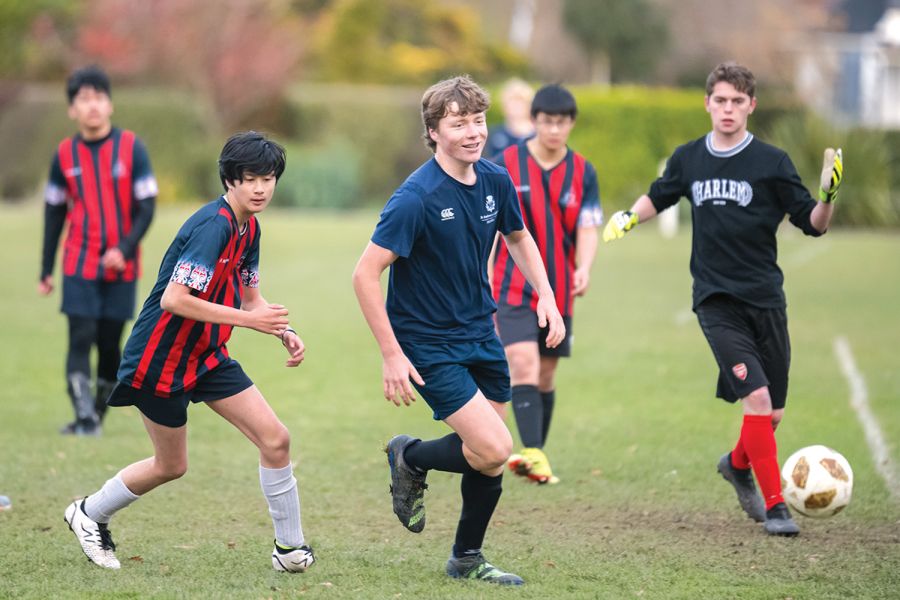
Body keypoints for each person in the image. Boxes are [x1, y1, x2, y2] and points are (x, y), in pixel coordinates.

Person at [602, 62, 843, 536]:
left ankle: (736, 464)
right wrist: (630, 217)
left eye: (738, 101)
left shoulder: (772, 162)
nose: (728, 109)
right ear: (708, 103)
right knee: (755, 397)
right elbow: (662, 194)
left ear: (751, 105)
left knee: (771, 414)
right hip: (716, 300)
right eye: (720, 100)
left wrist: (829, 195)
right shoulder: (690, 158)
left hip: (766, 299)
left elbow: (813, 223)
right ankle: (776, 508)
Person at [64, 132, 315, 573]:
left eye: (268, 178)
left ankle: (290, 551)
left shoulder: (249, 227)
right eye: (250, 179)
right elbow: (174, 300)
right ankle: (89, 512)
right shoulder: (213, 225)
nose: (260, 188)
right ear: (230, 180)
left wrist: (281, 328)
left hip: (206, 354)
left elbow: (251, 299)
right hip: (159, 358)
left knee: (276, 439)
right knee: (171, 465)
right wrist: (249, 321)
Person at [352, 75, 565, 586]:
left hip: (479, 331)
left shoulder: (494, 180)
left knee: (484, 458)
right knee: (495, 448)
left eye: (477, 120)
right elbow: (364, 274)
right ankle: (410, 454)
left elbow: (519, 237)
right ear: (433, 131)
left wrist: (549, 298)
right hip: (426, 342)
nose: (472, 132)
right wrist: (391, 354)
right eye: (457, 123)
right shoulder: (415, 197)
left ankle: (465, 557)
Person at [491, 84, 602, 485]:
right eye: (546, 121)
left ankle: (534, 449)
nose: (554, 130)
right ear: (534, 121)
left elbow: (589, 225)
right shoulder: (505, 163)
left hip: (558, 290)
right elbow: (489, 223)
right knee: (522, 362)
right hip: (510, 284)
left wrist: (584, 267)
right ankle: (532, 453)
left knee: (546, 375)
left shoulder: (583, 171)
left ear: (570, 124)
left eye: (561, 122)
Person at [39, 65, 158, 436]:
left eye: (99, 98)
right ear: (72, 109)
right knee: (80, 335)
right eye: (83, 100)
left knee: (110, 344)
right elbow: (54, 211)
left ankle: (96, 415)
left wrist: (123, 248)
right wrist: (45, 268)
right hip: (78, 260)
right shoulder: (64, 155)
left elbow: (147, 206)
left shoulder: (131, 148)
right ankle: (84, 417)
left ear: (110, 105)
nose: (92, 106)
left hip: (123, 266)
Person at [484, 78, 535, 160]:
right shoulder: (494, 134)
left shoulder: (538, 135)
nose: (516, 106)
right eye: (512, 102)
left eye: (520, 102)